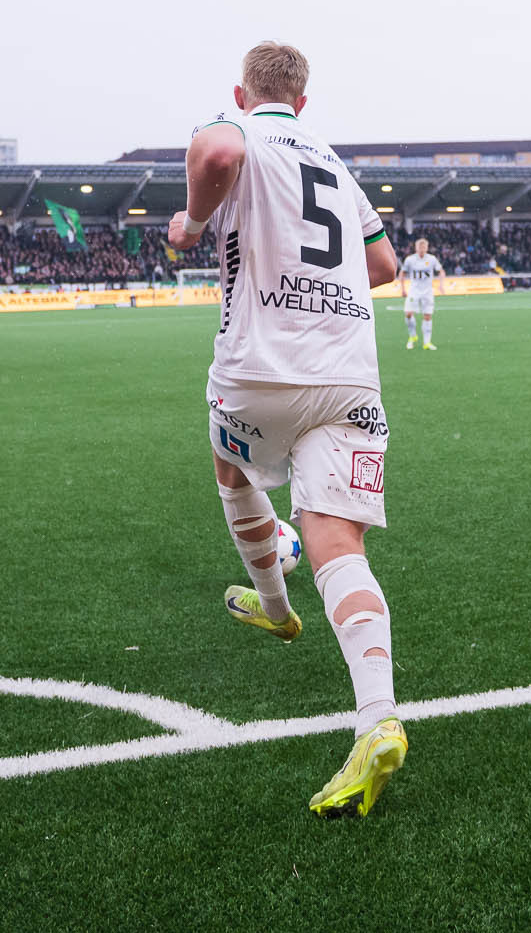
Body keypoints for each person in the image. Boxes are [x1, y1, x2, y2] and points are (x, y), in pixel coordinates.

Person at [166, 41, 408, 819]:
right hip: (348, 376)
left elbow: (216, 153)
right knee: (337, 539)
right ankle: (377, 719)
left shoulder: (237, 127)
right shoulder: (335, 164)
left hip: (260, 371)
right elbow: (384, 266)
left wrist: (190, 224)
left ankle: (275, 607)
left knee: (230, 468)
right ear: (303, 100)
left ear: (243, 92)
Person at [399, 237, 445, 350]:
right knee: (408, 313)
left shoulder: (432, 259)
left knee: (427, 316)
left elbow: (441, 271)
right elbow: (402, 273)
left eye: (424, 247)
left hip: (427, 292)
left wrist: (441, 285)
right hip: (414, 291)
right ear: (416, 248)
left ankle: (427, 342)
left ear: (427, 248)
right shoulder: (410, 259)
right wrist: (402, 288)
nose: (422, 249)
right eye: (420, 247)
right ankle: (412, 336)